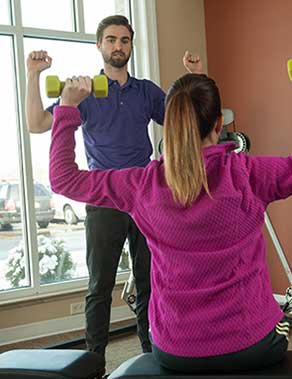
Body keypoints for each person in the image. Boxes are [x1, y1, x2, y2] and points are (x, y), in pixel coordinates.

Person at [48, 51, 292, 373]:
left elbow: (63, 178)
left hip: (174, 348)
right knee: (281, 324)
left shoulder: (141, 185)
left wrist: (67, 107)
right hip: (250, 344)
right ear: (219, 122)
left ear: (172, 123)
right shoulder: (250, 174)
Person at [25, 15, 202, 361]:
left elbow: (188, 121)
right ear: (99, 46)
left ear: (131, 46)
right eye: (111, 40)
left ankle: (153, 354)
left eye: (124, 40)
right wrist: (34, 76)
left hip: (146, 197)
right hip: (104, 195)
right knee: (99, 286)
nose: (118, 46)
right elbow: (36, 124)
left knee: (151, 280)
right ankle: (94, 361)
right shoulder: (84, 91)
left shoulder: (147, 91)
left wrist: (194, 77)